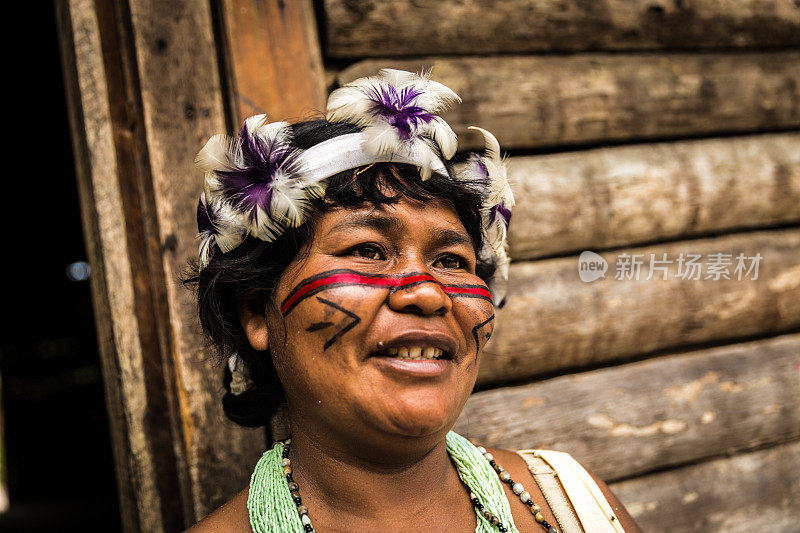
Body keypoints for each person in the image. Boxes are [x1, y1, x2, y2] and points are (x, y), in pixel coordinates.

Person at [185, 69, 640, 532]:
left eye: (450, 261)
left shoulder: (572, 502)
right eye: (367, 251)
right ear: (256, 310)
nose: (426, 292)